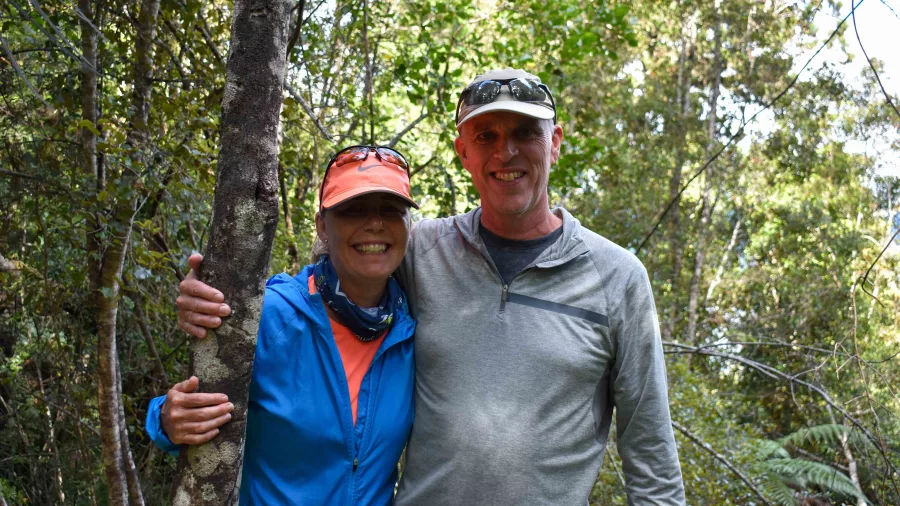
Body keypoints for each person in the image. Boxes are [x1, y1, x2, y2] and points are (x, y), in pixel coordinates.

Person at [175, 69, 687, 505]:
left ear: (554, 143)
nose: (505, 152)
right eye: (485, 136)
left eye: (526, 133)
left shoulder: (616, 278)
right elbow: (324, 282)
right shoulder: (420, 250)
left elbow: (650, 452)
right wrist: (218, 302)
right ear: (463, 151)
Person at [145, 145, 420, 505]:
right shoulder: (271, 314)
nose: (375, 223)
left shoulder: (410, 329)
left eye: (390, 209)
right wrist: (168, 420)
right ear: (323, 225)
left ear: (408, 225)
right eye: (353, 210)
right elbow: (183, 404)